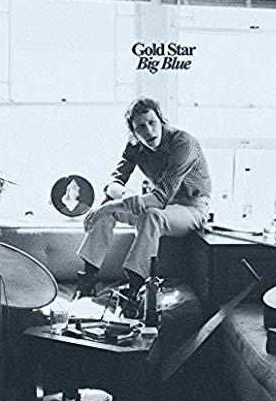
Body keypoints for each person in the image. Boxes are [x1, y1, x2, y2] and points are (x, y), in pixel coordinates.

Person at [75, 97, 211, 310]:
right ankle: (86, 282)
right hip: (158, 205)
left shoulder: (183, 143)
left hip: (191, 208)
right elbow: (113, 182)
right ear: (133, 132)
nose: (148, 131)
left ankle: (133, 290)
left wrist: (107, 207)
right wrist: (124, 194)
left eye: (152, 122)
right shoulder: (135, 145)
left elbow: (161, 197)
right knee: (110, 209)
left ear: (161, 121)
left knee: (148, 214)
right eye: (140, 127)